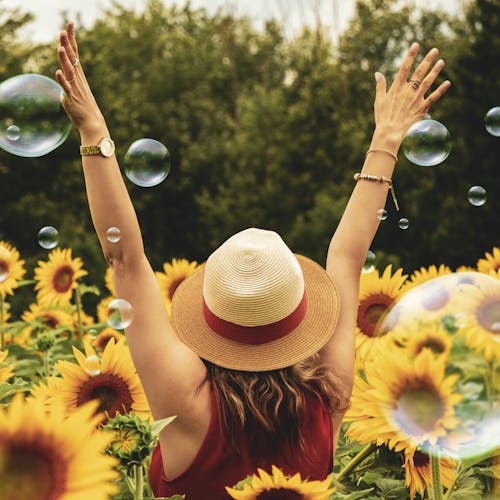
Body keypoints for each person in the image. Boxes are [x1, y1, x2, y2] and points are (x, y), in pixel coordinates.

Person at [56, 21, 450, 499]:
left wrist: (94, 132)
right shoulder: (327, 399)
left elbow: (125, 260)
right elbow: (346, 259)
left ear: (212, 316)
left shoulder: (186, 403)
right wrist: (387, 138)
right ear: (298, 314)